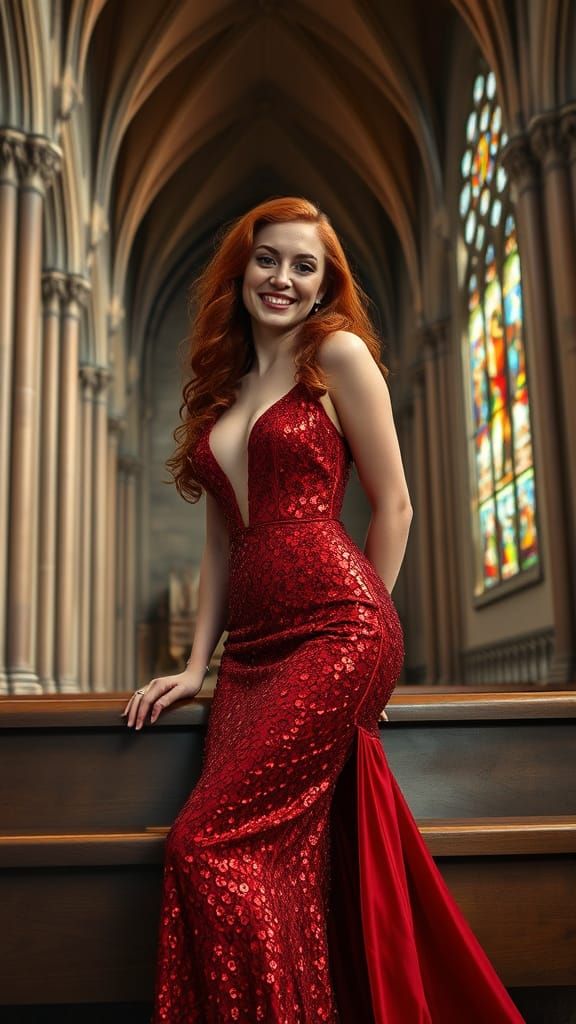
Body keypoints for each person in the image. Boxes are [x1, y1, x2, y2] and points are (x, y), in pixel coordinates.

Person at [121, 197, 525, 1023]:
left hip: (339, 632)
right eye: (270, 259)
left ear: (323, 283)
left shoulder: (335, 355)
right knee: (284, 872)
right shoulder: (222, 390)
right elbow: (219, 546)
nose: (284, 277)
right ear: (242, 270)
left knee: (203, 847)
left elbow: (398, 505)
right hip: (250, 656)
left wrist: (364, 625)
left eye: (305, 265)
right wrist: (197, 666)